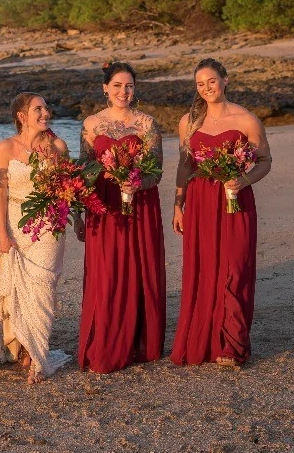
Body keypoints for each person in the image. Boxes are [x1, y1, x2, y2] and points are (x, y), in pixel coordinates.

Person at [171, 58, 273, 368]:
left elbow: (265, 161)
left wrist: (243, 180)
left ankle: (231, 345)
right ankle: (205, 341)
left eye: (212, 81)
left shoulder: (246, 120)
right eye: (200, 84)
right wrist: (178, 204)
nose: (206, 88)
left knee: (234, 267)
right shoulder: (188, 122)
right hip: (201, 201)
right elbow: (185, 164)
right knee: (205, 269)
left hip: (235, 200)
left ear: (225, 80)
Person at [75, 62, 165, 373]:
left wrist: (137, 183)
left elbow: (156, 171)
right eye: (117, 86)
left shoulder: (147, 124)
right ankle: (107, 338)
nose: (123, 92)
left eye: (128, 86)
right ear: (105, 88)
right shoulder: (91, 125)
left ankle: (139, 341)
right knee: (107, 272)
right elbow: (83, 171)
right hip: (103, 206)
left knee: (138, 268)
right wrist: (77, 213)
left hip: (139, 204)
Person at [0, 93, 71, 384]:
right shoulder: (5, 148)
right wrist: (1, 233)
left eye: (46, 108)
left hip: (49, 225)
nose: (45, 113)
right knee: (19, 289)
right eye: (38, 109)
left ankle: (38, 356)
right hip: (15, 223)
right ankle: (25, 347)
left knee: (42, 287)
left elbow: (67, 189)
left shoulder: (58, 146)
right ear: (22, 116)